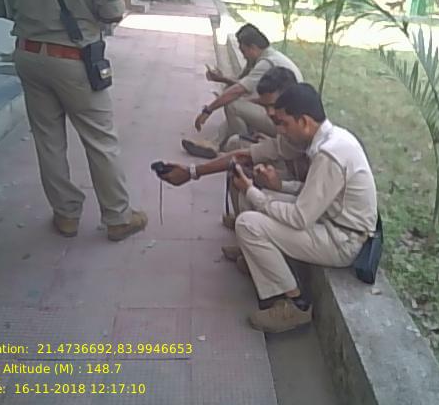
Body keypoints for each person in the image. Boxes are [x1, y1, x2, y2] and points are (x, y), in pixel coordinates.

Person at [0, 0, 147, 241]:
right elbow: (112, 10)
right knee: (100, 139)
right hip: (75, 58)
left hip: (29, 52)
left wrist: (31, 12)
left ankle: (66, 214)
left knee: (48, 140)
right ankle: (117, 216)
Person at [231, 83, 378, 333]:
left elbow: (300, 217)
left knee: (248, 223)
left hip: (343, 240)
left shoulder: (330, 154)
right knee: (259, 199)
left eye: (284, 124)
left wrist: (252, 192)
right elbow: (314, 193)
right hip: (330, 221)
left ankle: (295, 304)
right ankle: (260, 258)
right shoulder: (333, 139)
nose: (281, 131)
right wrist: (277, 186)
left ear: (305, 122)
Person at [160, 67, 307, 229]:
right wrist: (191, 172)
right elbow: (242, 156)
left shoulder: (313, 140)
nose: (269, 113)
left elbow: (307, 208)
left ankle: (251, 229)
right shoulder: (288, 131)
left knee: (249, 195)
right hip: (298, 190)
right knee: (238, 169)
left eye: (273, 106)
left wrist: (271, 187)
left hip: (308, 210)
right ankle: (244, 224)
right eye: (265, 107)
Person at [182, 24, 303, 159]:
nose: (243, 56)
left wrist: (208, 110)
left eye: (244, 51)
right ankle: (215, 143)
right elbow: (241, 83)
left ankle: (236, 144)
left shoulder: (266, 63)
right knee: (233, 99)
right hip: (281, 113)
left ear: (253, 48)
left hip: (284, 121)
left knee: (232, 104)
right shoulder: (266, 57)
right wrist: (221, 79)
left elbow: (238, 90)